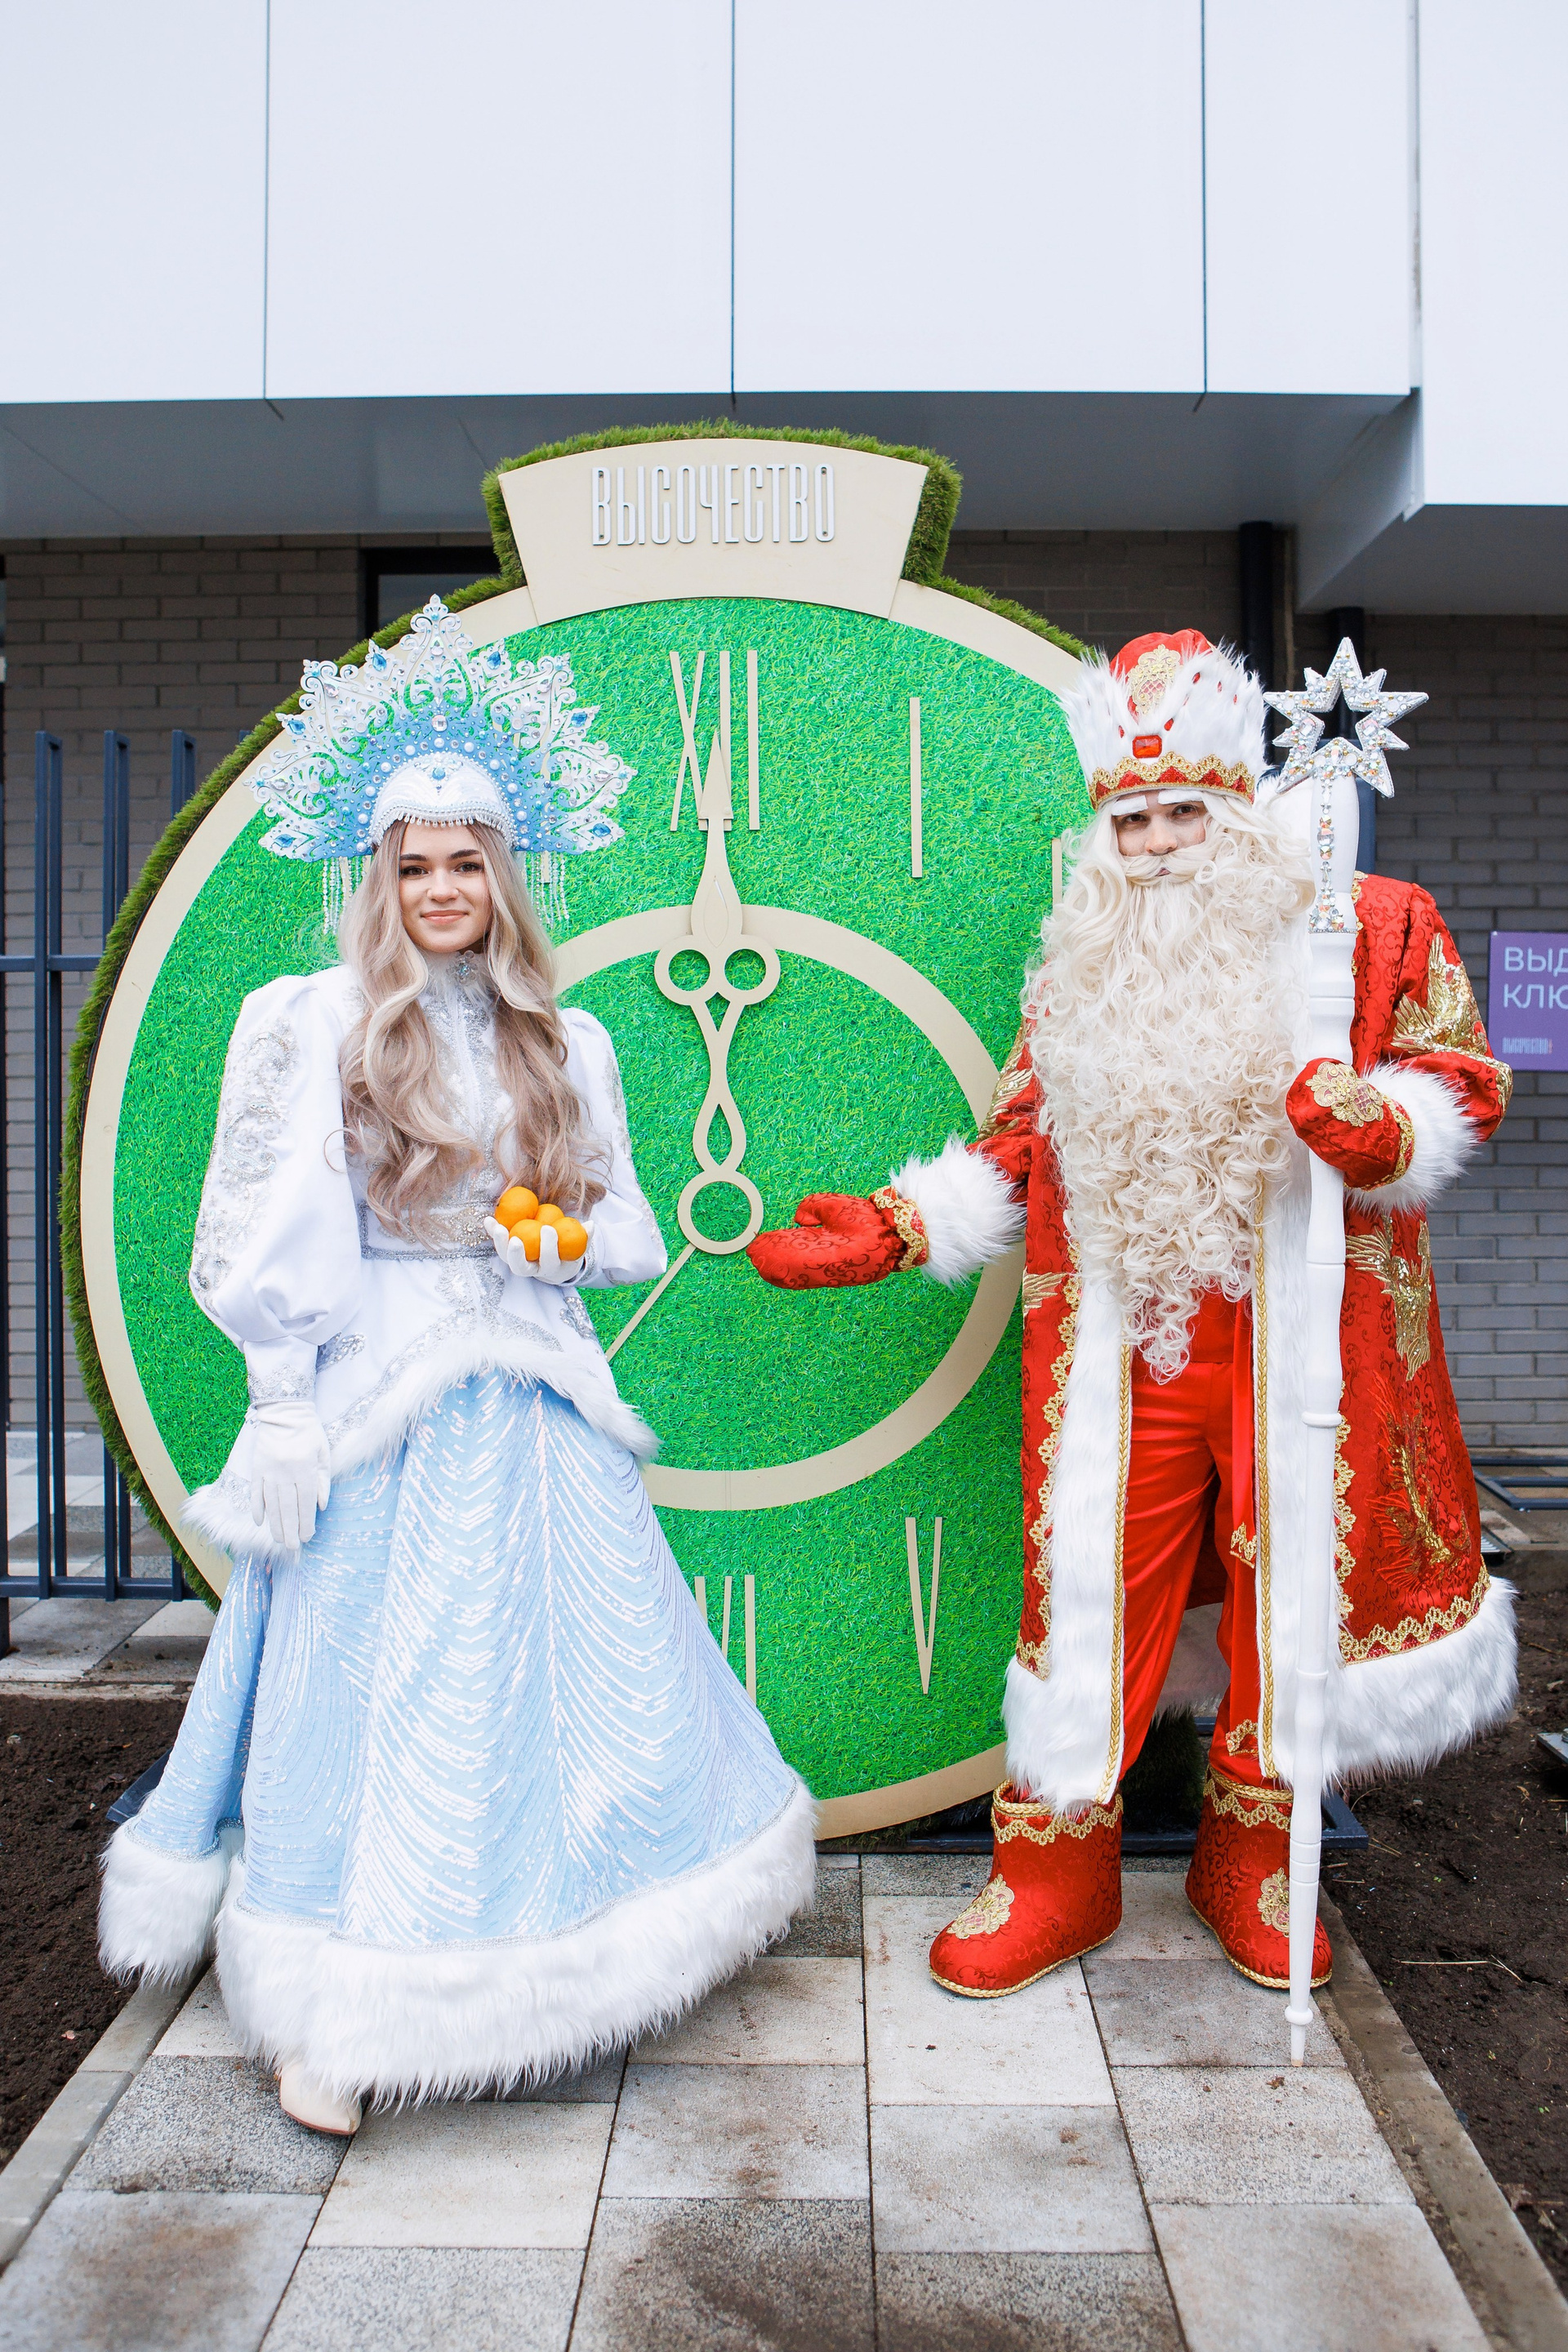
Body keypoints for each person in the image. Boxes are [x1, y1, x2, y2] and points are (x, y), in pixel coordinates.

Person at [100, 603, 814, 2131]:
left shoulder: (570, 1039)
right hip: (384, 1405)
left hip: (536, 1396)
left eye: (468, 863)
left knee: (569, 1678)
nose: (442, 889)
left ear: (506, 877)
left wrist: (562, 1241)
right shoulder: (316, 1023)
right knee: (374, 1682)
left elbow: (627, 1230)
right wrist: (282, 1409)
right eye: (416, 864)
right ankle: (333, 2004)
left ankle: (586, 1957)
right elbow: (265, 1234)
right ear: (381, 876)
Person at [748, 628, 1514, 1998]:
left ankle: (1252, 1860)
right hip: (1123, 1342)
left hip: (1308, 1339)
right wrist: (908, 1224)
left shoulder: (1371, 927)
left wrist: (1383, 1123)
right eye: (1132, 821)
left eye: (1183, 816)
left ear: (1238, 814)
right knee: (1093, 1587)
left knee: (1293, 1584)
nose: (1156, 846)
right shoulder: (1081, 967)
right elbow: (1023, 1137)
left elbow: (1460, 1076)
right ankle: (1056, 1872)